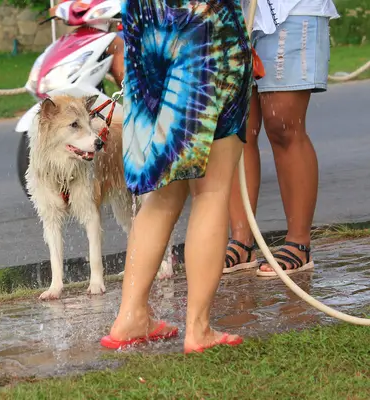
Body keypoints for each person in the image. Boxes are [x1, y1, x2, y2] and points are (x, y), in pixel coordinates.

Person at [100, 0, 254, 353]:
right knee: (211, 190)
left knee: (164, 188)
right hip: (202, 23)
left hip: (147, 20)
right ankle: (198, 328)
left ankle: (131, 316)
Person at [224, 0, 339, 276]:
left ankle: (299, 242)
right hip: (231, 12)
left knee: (283, 124)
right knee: (238, 126)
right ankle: (241, 240)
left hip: (293, 9)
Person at [48, 0, 125, 87]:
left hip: (124, 30)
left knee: (116, 44)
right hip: (85, 34)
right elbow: (54, 11)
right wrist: (62, 10)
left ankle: (132, 93)